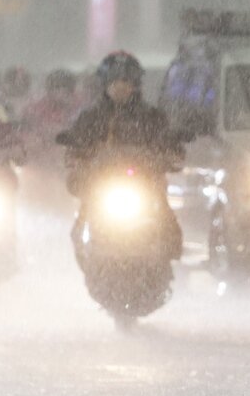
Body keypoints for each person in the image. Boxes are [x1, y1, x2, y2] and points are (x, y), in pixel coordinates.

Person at [58, 51, 184, 255]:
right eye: (114, 80)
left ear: (135, 84)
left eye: (126, 80)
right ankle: (86, 249)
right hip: (101, 186)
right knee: (83, 218)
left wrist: (169, 154)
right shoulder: (90, 118)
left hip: (144, 185)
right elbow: (76, 148)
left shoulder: (152, 117)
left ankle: (167, 250)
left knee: (165, 217)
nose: (120, 86)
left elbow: (170, 146)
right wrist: (77, 158)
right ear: (104, 83)